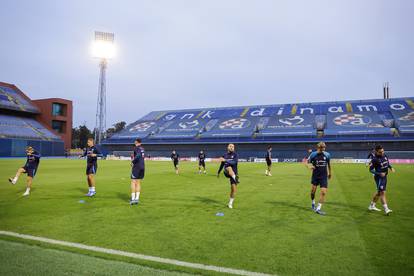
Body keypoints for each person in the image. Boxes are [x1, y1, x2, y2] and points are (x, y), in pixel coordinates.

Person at [368, 145, 395, 215]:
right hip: (379, 178)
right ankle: (386, 209)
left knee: (379, 193)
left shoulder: (385, 155)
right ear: (376, 152)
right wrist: (379, 173)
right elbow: (370, 170)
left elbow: (387, 163)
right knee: (382, 193)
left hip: (385, 177)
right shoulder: (374, 159)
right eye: (380, 152)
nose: (382, 153)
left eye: (383, 151)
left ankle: (372, 205)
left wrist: (391, 168)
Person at [307, 142, 332, 215]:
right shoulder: (313, 154)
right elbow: (306, 162)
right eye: (322, 147)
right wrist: (309, 166)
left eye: (324, 147)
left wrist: (330, 173)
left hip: (323, 176)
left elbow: (329, 164)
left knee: (323, 192)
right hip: (315, 175)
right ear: (319, 147)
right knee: (312, 192)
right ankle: (313, 202)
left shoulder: (327, 154)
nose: (324, 149)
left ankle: (318, 209)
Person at [218, 144, 240, 209]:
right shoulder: (224, 155)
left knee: (233, 190)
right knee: (229, 167)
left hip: (234, 173)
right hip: (226, 171)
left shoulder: (235, 155)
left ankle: (230, 203)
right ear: (227, 147)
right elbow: (222, 164)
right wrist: (218, 172)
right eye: (230, 146)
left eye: (233, 147)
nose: (232, 147)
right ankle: (236, 178)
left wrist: (225, 160)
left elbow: (234, 162)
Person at [130, 138, 145, 205]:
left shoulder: (136, 148)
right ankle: (137, 198)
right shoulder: (142, 148)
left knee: (133, 182)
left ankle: (133, 199)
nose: (134, 144)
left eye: (135, 142)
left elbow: (138, 155)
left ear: (138, 142)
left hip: (137, 167)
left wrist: (132, 161)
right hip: (142, 166)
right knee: (138, 182)